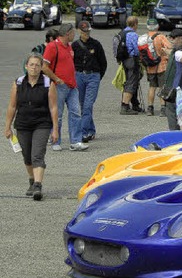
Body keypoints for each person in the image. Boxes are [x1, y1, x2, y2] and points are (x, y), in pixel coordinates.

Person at [5, 54, 58, 200]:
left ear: (41, 68)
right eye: (31, 65)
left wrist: (55, 129)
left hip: (42, 123)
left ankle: (38, 185)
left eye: (37, 65)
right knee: (27, 156)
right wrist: (7, 126)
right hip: (23, 124)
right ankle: (32, 179)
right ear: (26, 66)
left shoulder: (48, 83)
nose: (34, 68)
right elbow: (12, 106)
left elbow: (53, 108)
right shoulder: (18, 83)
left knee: (37, 154)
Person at [41, 23, 87, 151]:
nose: (74, 35)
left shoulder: (69, 47)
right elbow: (44, 66)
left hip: (72, 86)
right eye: (73, 33)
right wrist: (56, 79)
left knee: (76, 113)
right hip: (58, 86)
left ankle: (76, 141)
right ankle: (55, 141)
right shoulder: (52, 46)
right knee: (58, 114)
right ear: (68, 34)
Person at [71, 21, 107, 143]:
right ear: (79, 31)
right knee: (82, 105)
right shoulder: (75, 45)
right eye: (84, 31)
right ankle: (91, 130)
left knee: (88, 105)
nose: (86, 33)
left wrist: (97, 77)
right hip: (79, 75)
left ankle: (83, 132)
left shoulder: (96, 44)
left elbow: (103, 63)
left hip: (93, 76)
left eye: (88, 31)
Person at [142, 18, 172, 116]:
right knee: (162, 87)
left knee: (152, 87)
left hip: (150, 67)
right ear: (157, 26)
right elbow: (170, 48)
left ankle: (150, 108)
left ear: (147, 27)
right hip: (161, 66)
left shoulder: (144, 38)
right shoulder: (161, 37)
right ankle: (163, 108)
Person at [159, 29, 182, 130]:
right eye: (170, 38)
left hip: (178, 89)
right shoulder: (175, 51)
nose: (171, 40)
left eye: (173, 38)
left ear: (181, 38)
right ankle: (175, 135)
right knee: (172, 115)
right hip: (170, 89)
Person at [120, 16, 140, 115]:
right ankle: (125, 106)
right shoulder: (133, 35)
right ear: (135, 24)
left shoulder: (122, 33)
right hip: (132, 59)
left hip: (124, 60)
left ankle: (127, 103)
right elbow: (137, 49)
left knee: (127, 81)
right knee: (131, 82)